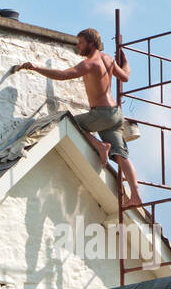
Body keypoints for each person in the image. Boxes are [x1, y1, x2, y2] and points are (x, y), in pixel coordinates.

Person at [18, 28, 142, 208]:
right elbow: (126, 76)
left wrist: (36, 67)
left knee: (69, 122)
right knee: (121, 155)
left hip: (101, 113)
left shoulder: (89, 64)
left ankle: (100, 145)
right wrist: (126, 61)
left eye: (81, 42)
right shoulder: (108, 59)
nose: (78, 45)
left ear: (91, 43)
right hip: (115, 114)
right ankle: (136, 195)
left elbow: (63, 75)